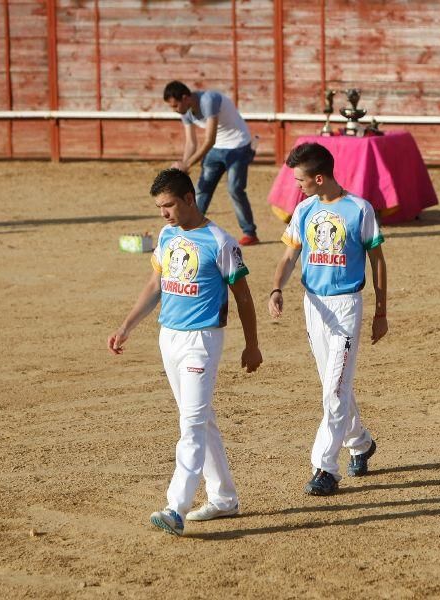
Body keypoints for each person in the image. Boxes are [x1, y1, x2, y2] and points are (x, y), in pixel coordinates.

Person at [107, 168, 263, 536]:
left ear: (189, 199)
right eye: (159, 207)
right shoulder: (166, 235)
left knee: (190, 425)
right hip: (169, 338)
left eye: (169, 205)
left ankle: (175, 507)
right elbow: (155, 284)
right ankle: (224, 498)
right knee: (200, 419)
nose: (163, 213)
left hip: (202, 342)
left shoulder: (221, 242)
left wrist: (252, 344)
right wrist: (126, 326)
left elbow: (243, 296)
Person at [268, 142, 387, 496]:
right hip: (314, 306)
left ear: (319, 178)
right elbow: (290, 256)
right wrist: (276, 288)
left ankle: (325, 468)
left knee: (334, 389)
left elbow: (377, 260)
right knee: (333, 386)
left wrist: (381, 311)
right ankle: (361, 443)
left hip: (347, 305)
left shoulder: (359, 209)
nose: (297, 186)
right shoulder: (303, 210)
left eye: (301, 180)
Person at [163, 80, 260, 246]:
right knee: (202, 189)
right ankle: (191, 229)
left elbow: (209, 140)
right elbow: (191, 143)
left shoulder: (209, 100)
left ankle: (250, 233)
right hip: (217, 148)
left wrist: (188, 164)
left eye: (175, 106)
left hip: (238, 145)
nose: (175, 110)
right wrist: (183, 165)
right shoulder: (185, 110)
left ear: (185, 98)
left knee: (234, 188)